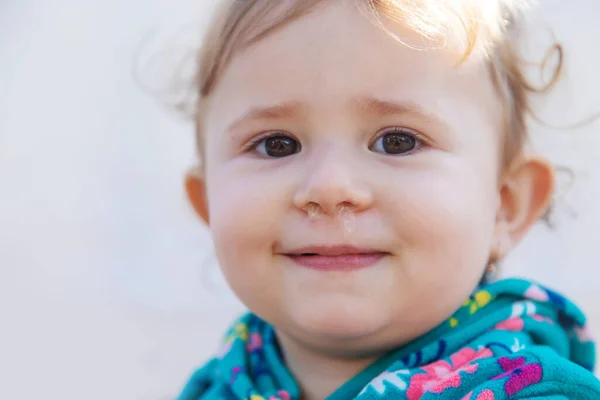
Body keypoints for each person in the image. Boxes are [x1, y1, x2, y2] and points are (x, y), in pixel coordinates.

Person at [176, 1, 600, 398]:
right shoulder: (218, 383)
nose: (329, 188)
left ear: (505, 206)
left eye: (397, 142)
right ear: (208, 202)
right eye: (276, 145)